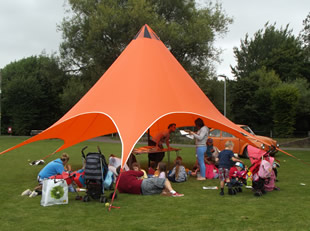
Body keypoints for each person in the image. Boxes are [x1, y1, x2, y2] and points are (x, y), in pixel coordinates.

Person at [116, 167, 184, 197]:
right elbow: (141, 173)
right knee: (165, 180)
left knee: (161, 190)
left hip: (141, 192)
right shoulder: (127, 173)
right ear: (122, 170)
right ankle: (173, 192)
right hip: (142, 183)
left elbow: (121, 191)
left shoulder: (117, 183)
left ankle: (169, 193)